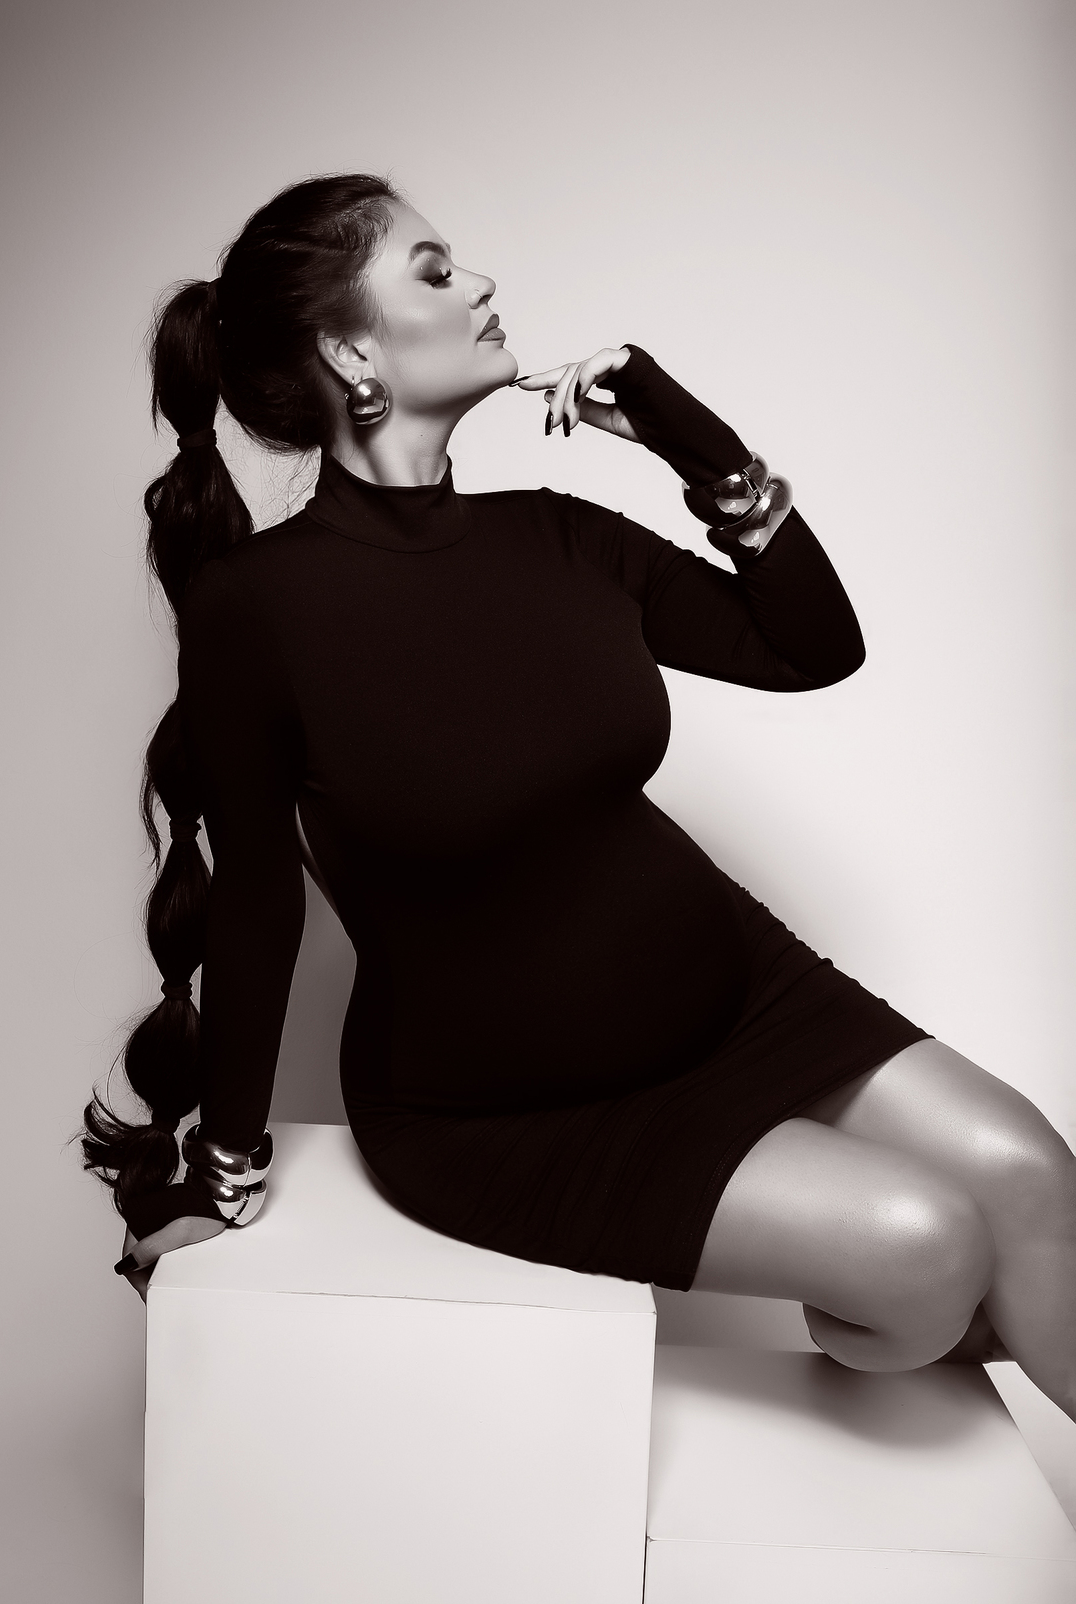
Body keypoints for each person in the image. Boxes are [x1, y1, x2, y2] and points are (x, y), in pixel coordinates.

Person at [81, 173, 1076, 1421]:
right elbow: (258, 907)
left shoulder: (558, 536)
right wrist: (222, 1166)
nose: (483, 283)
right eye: (435, 270)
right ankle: (919, 1303)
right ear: (351, 350)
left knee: (1036, 1173)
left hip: (744, 997)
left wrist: (691, 441)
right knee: (929, 1255)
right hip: (511, 1111)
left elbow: (813, 648)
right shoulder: (258, 607)